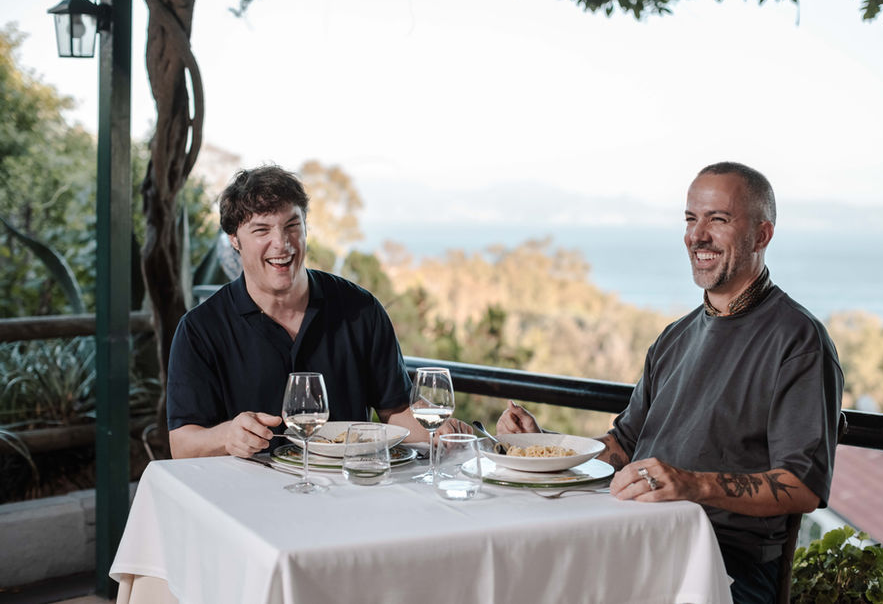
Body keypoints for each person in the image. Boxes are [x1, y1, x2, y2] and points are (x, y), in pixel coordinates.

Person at [497, 162, 843, 604]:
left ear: (762, 236)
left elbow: (803, 486)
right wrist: (546, 448)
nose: (697, 236)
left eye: (718, 219)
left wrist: (691, 484)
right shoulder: (675, 337)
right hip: (636, 539)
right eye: (690, 219)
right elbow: (622, 445)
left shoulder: (798, 340)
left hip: (725, 566)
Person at [167, 164, 468, 459]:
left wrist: (446, 431)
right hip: (247, 499)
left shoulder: (360, 310)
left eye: (292, 226)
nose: (282, 244)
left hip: (349, 492)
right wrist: (227, 436)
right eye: (262, 230)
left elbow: (395, 412)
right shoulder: (200, 329)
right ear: (234, 240)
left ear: (306, 226)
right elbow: (182, 444)